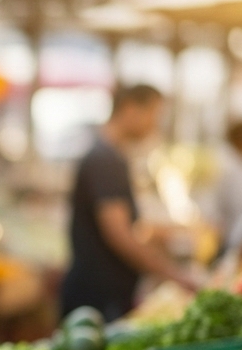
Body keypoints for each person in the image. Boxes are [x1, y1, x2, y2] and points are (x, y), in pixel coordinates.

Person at [60, 84, 196, 321]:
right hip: (98, 296)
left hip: (102, 291)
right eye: (153, 114)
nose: (154, 124)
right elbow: (119, 234)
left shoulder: (109, 156)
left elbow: (125, 226)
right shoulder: (105, 160)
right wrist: (171, 274)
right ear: (130, 109)